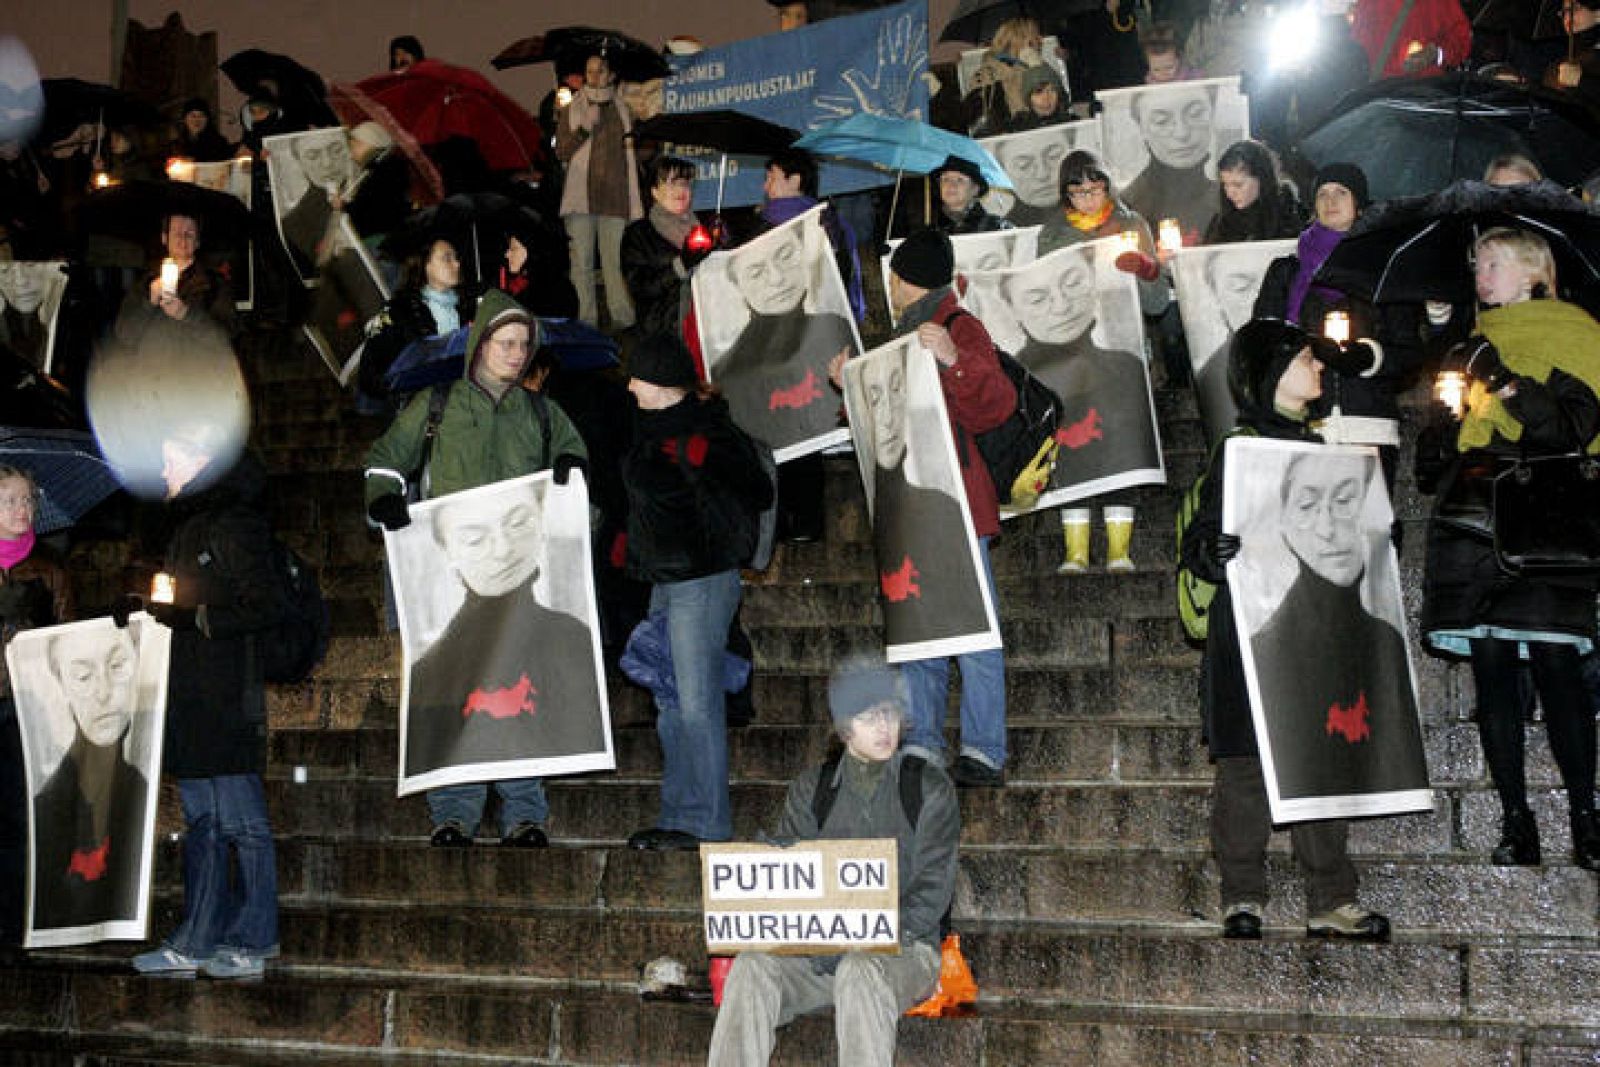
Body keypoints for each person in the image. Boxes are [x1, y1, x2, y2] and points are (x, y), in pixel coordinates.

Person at [1180, 318, 1391, 942]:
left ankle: (1331, 897)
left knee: (1317, 761)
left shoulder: (1331, 451)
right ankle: (1241, 894)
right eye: (1305, 359)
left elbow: (1359, 548)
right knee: (1246, 765)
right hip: (1249, 630)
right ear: (1270, 374)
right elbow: (1198, 540)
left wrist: (1380, 529)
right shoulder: (1236, 451)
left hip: (1315, 632)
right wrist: (1209, 551)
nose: (1319, 368)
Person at [365, 289, 589, 849]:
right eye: (505, 343)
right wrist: (386, 500)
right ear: (480, 343)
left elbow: (577, 462)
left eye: (523, 346)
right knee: (455, 690)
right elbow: (386, 461)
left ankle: (524, 811)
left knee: (522, 687)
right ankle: (455, 810)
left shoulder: (541, 411)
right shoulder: (436, 405)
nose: (516, 354)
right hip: (454, 582)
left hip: (519, 580)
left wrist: (569, 469)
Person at [1417, 227, 1600, 872]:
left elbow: (1573, 429)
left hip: (1544, 514)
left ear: (1532, 273)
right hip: (1473, 518)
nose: (1480, 275)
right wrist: (1443, 423)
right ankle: (1516, 822)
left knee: (1557, 667)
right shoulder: (1467, 345)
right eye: (1477, 265)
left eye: (1493, 264)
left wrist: (1504, 380)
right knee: (1492, 671)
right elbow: (1431, 458)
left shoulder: (1578, 334)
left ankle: (1586, 817)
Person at [706, 656, 960, 1066]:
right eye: (868, 716)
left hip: (905, 953)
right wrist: (754, 870)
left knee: (860, 970)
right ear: (844, 727)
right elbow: (785, 865)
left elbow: (933, 889)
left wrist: (875, 931)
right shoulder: (814, 788)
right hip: (823, 954)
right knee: (752, 967)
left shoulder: (927, 787)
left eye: (889, 713)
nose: (883, 727)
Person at [130, 426, 288, 978]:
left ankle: (254, 937)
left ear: (201, 463)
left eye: (171, 460)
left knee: (242, 823)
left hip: (226, 696)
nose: (164, 473)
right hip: (190, 695)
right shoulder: (181, 529)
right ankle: (197, 938)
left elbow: (268, 603)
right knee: (202, 823)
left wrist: (197, 618)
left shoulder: (233, 523)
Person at [869, 229, 1014, 787]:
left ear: (904, 280)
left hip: (955, 501)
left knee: (974, 630)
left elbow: (995, 404)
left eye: (895, 276)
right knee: (918, 628)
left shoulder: (959, 326)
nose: (891, 285)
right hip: (909, 503)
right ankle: (924, 743)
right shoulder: (902, 334)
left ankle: (983, 749)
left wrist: (954, 358)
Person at [621, 333, 774, 850]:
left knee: (696, 703)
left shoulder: (708, 426)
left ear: (662, 382)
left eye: (637, 375)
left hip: (703, 579)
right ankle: (677, 815)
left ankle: (708, 824)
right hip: (663, 580)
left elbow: (760, 490)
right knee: (668, 700)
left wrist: (707, 457)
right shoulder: (642, 426)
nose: (629, 385)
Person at [1248, 449, 1427, 799]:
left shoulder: (1384, 643)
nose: (1328, 529)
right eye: (1306, 506)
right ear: (1283, 525)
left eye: (1346, 501)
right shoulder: (1268, 651)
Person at [403, 479, 606, 778]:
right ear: (447, 553)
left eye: (518, 523)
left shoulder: (575, 642)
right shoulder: (429, 673)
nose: (502, 551)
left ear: (541, 523)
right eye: (474, 539)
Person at [1253, 163, 1423, 493]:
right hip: (1303, 424)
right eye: (1322, 194)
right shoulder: (1287, 271)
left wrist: (1367, 357)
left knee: (1370, 536)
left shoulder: (1385, 272)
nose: (1330, 200)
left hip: (1367, 423)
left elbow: (1409, 351)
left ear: (1359, 204)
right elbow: (1263, 342)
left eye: (1341, 192)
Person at [32, 626, 149, 931]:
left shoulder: (145, 789)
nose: (103, 692)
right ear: (62, 687)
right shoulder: (45, 807)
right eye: (83, 676)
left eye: (117, 667)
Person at [0, 465, 71, 944]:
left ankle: (14, 925)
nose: (23, 510)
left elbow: (71, 641)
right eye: (10, 500)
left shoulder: (49, 571)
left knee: (16, 818)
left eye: (29, 500)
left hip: (25, 710)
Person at [556, 53, 642, 333]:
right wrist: (584, 129)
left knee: (613, 263)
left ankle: (623, 320)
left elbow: (632, 156)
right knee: (581, 263)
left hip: (614, 197)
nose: (594, 77)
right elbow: (561, 151)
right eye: (589, 71)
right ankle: (586, 322)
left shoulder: (623, 110)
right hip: (581, 198)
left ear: (612, 75)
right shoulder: (573, 108)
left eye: (600, 71)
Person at [356, 236, 465, 414]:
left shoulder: (467, 306)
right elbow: (372, 369)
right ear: (425, 265)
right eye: (447, 258)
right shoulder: (400, 310)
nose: (456, 264)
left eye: (456, 258)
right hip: (416, 412)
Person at [621, 155, 712, 341]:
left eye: (685, 183)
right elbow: (641, 288)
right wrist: (680, 265)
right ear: (655, 191)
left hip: (703, 328)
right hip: (662, 334)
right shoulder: (639, 234)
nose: (681, 190)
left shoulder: (703, 229)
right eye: (672, 183)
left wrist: (722, 245)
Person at [1121, 80, 1221, 242]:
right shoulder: (1129, 204)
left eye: (1195, 114)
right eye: (1161, 121)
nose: (1182, 133)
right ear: (1141, 129)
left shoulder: (1229, 196)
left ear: (1212, 114)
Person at [115, 213, 236, 343]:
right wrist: (148, 303)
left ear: (197, 242)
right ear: (164, 238)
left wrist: (186, 314)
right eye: (177, 233)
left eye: (189, 234)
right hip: (152, 362)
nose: (183, 239)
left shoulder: (215, 284)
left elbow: (227, 335)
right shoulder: (144, 283)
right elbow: (124, 334)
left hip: (196, 362)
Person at [1203, 140, 1304, 245]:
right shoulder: (1220, 222)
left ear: (1262, 179)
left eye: (1238, 185)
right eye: (1225, 184)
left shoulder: (1290, 216)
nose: (1229, 194)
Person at [962, 17, 1045, 137]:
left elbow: (1058, 107)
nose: (1041, 40)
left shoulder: (1036, 66)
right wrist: (1034, 73)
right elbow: (1021, 114)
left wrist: (1038, 70)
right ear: (1019, 41)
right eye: (1035, 36)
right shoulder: (988, 74)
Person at [1350, 0, 1470, 79]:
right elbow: (1356, 43)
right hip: (1375, 92)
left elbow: (1461, 40)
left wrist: (1434, 54)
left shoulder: (1440, 3)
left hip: (1417, 95)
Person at [928, 155, 1012, 236]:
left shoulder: (998, 228)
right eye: (945, 179)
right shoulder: (929, 232)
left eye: (960, 180)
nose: (951, 185)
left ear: (975, 189)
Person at [1002, 64, 1072, 133]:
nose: (1046, 97)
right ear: (1029, 98)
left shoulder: (1072, 124)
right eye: (1038, 92)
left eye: (1052, 90)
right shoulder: (1017, 128)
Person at [167, 98, 233, 163]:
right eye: (193, 116)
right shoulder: (176, 145)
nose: (197, 120)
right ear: (184, 119)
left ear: (207, 119)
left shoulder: (219, 143)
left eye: (201, 116)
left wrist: (195, 161)